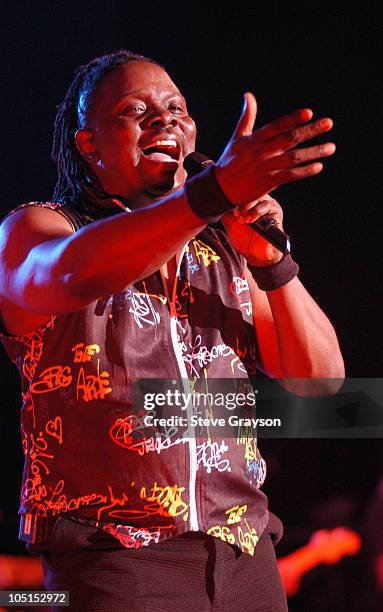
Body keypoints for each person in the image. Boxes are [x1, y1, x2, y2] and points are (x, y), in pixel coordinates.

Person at [0, 50, 344, 611]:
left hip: (245, 559)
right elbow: (72, 271)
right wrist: (211, 194)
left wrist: (271, 262)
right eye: (135, 111)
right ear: (90, 144)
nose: (164, 119)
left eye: (176, 108)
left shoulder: (221, 248)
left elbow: (321, 383)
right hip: (115, 566)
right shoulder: (40, 228)